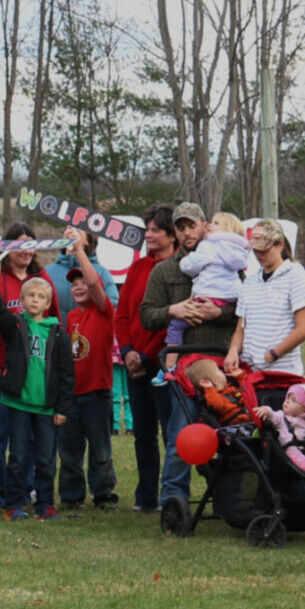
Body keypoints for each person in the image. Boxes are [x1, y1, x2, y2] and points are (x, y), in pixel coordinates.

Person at [138, 203, 240, 516]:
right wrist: (174, 310)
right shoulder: (165, 270)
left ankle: (233, 496)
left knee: (233, 432)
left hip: (225, 361)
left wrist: (219, 312)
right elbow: (146, 315)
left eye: (191, 226)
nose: (186, 232)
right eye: (180, 227)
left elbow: (250, 309)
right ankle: (174, 499)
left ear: (205, 227)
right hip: (182, 364)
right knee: (181, 433)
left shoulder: (233, 263)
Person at [0, 221, 55, 512]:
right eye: (19, 244)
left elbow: (54, 324)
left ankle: (24, 488)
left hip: (31, 376)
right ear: (7, 248)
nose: (26, 251)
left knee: (27, 436)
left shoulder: (42, 279)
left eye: (31, 244)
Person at [0, 272, 76, 520]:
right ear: (22, 300)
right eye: (31, 295)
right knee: (18, 456)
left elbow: (67, 374)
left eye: (41, 297)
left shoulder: (57, 333)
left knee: (46, 458)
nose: (35, 300)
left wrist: (63, 408)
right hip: (19, 403)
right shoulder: (16, 326)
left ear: (48, 303)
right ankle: (13, 504)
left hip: (47, 406)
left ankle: (45, 504)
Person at [114, 205, 178, 512]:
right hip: (134, 361)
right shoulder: (138, 268)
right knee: (143, 433)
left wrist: (147, 354)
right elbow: (123, 312)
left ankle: (172, 494)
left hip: (162, 362)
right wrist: (126, 350)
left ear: (171, 235)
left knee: (170, 430)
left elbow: (171, 321)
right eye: (147, 229)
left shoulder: (179, 268)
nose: (149, 235)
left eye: (155, 230)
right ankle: (145, 497)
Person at [53, 230, 119, 510]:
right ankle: (71, 496)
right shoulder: (70, 317)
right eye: (74, 284)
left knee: (100, 449)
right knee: (69, 450)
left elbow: (94, 283)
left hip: (97, 393)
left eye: (83, 283)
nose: (79, 287)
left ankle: (103, 493)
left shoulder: (104, 313)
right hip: (71, 395)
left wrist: (79, 250)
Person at [226, 220, 305, 382]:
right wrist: (233, 351)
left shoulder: (295, 275)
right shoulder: (250, 281)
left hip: (283, 374)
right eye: (256, 250)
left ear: (280, 245)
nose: (259, 255)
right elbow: (241, 327)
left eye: (264, 250)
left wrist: (274, 354)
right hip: (250, 374)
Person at [167, 212, 250, 349]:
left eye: (216, 223)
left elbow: (190, 266)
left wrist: (184, 262)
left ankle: (169, 367)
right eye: (181, 228)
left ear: (227, 229)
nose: (210, 225)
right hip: (232, 296)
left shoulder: (209, 246)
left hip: (206, 296)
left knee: (176, 326)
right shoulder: (240, 252)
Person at [184, 359, 255, 427]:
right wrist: (209, 388)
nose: (223, 372)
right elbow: (217, 405)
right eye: (219, 370)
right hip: (239, 424)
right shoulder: (213, 397)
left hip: (252, 416)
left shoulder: (231, 388)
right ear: (215, 380)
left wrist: (241, 377)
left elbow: (248, 392)